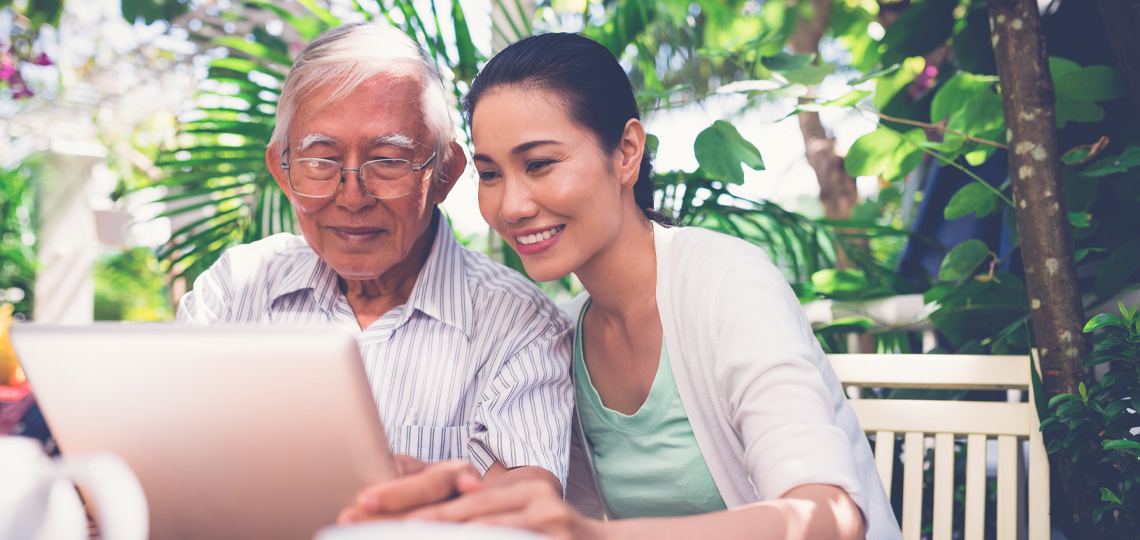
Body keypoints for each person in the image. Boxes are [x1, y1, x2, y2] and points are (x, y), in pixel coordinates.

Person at [340, 32, 902, 539]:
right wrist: (458, 499)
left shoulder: (727, 284)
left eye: (538, 163)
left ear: (627, 152)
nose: (510, 205)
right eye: (490, 174)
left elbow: (828, 515)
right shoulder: (567, 333)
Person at [175, 23, 573, 498]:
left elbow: (523, 510)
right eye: (320, 160)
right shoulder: (236, 288)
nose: (353, 196)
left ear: (445, 174)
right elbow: (151, 451)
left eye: (388, 160)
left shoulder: (517, 325)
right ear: (282, 172)